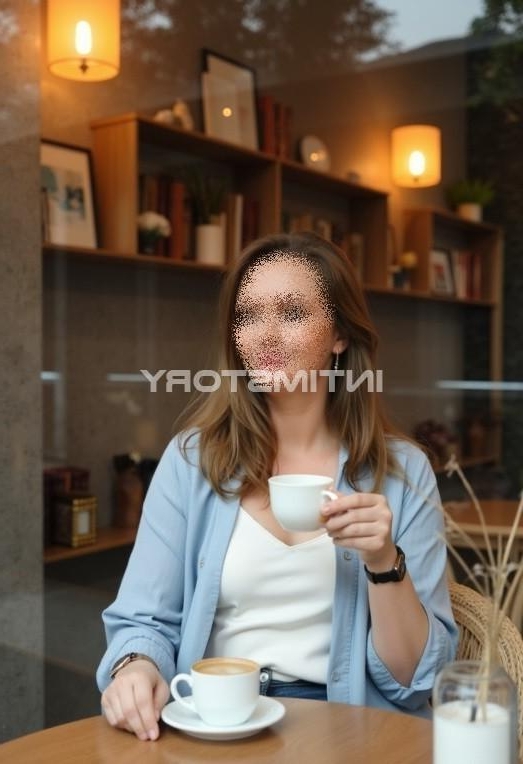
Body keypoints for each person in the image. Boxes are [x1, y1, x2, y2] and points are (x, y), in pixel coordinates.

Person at [97, 231, 458, 741]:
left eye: (291, 313)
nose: (264, 334)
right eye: (247, 315)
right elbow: (142, 621)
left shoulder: (403, 471)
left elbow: (413, 682)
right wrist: (135, 667)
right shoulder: (191, 461)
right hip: (220, 724)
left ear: (339, 335)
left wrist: (383, 561)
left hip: (354, 731)